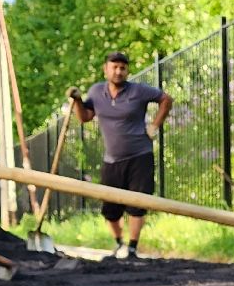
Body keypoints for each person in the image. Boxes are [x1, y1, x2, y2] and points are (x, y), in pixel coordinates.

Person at [67, 51, 172, 259]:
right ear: (105, 69)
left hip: (140, 156)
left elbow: (166, 99)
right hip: (112, 159)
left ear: (127, 71)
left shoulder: (139, 91)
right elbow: (85, 117)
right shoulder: (96, 92)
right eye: (114, 67)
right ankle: (118, 243)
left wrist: (154, 126)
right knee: (110, 208)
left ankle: (132, 247)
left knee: (137, 204)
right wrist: (77, 100)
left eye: (122, 68)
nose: (118, 71)